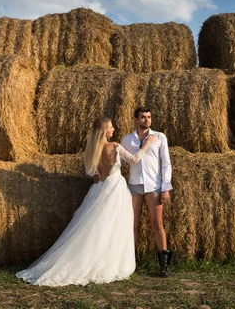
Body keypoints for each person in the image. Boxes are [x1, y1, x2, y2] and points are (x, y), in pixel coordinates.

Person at [16, 117, 156, 286]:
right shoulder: (114, 146)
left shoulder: (92, 150)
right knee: (113, 227)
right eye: (111, 127)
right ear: (105, 131)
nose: (114, 129)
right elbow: (134, 159)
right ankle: (107, 263)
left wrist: (96, 175)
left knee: (93, 227)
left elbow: (92, 173)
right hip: (115, 189)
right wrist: (147, 144)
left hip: (99, 189)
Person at [122, 107, 173, 277]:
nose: (147, 120)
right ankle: (130, 264)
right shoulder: (127, 140)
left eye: (149, 117)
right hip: (134, 186)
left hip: (154, 186)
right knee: (132, 225)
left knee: (157, 224)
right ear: (136, 119)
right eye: (143, 117)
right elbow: (117, 158)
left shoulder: (160, 137)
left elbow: (166, 163)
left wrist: (166, 187)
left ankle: (164, 266)